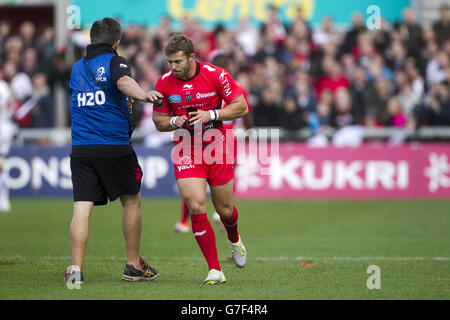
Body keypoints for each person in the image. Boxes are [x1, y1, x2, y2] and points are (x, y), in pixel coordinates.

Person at [65, 17, 162, 284]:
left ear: (92, 39)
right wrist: (143, 94)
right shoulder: (115, 61)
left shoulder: (76, 68)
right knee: (131, 201)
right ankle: (132, 265)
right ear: (116, 42)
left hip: (82, 149)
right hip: (114, 147)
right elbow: (122, 83)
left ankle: (75, 270)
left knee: (81, 209)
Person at [152, 34, 248, 284]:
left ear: (192, 57)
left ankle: (234, 238)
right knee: (196, 205)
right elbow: (158, 121)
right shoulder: (164, 83)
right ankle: (215, 270)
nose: (172, 67)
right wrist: (175, 121)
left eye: (177, 61)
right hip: (186, 147)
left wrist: (212, 113)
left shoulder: (216, 74)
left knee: (225, 210)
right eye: (169, 62)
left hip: (218, 146)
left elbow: (241, 106)